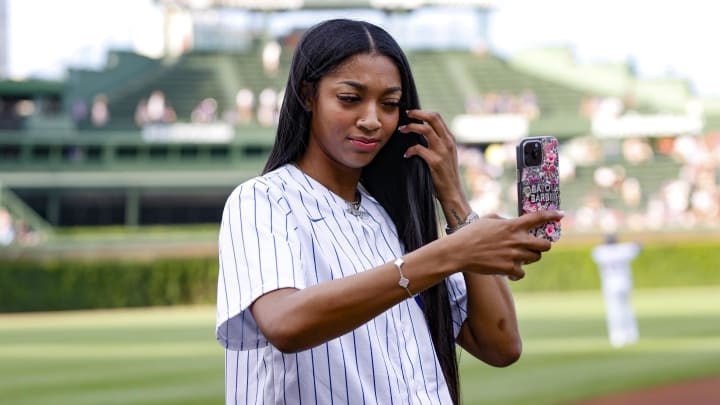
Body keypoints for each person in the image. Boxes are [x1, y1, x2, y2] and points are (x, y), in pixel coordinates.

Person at [216, 19, 564, 405]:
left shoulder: (390, 217)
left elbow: (500, 344)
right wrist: (454, 252)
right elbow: (284, 323)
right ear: (307, 95)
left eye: (390, 104)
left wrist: (454, 199)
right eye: (350, 98)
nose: (371, 120)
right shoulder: (263, 199)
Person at [591, 233, 642, 348]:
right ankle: (631, 334)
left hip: (610, 284)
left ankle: (617, 336)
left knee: (613, 310)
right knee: (627, 307)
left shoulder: (600, 251)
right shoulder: (623, 249)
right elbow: (638, 247)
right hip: (624, 282)